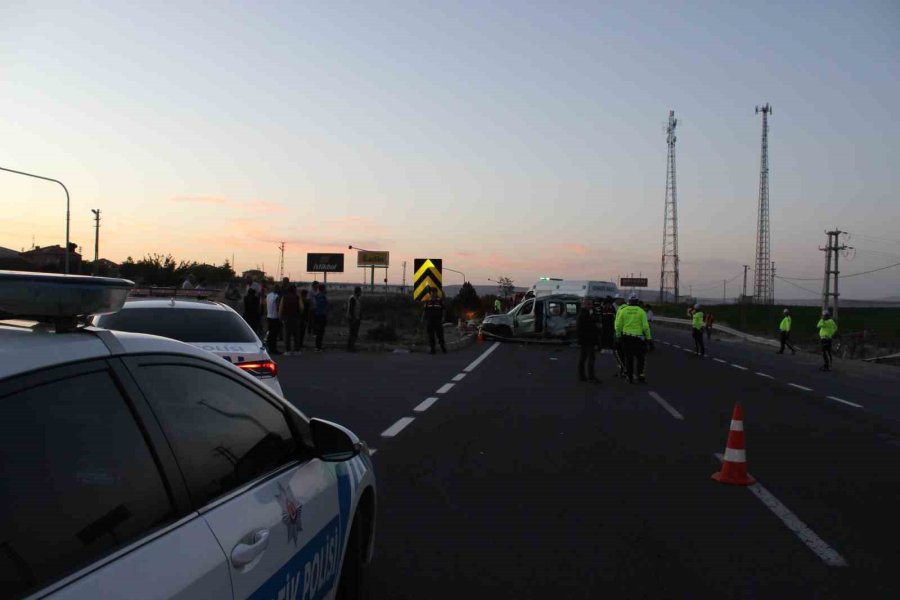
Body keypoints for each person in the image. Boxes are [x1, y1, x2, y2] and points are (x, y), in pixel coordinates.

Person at [614, 293, 652, 383]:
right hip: (638, 339)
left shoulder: (623, 310)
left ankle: (629, 377)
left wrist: (618, 336)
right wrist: (649, 337)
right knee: (640, 359)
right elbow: (646, 326)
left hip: (626, 338)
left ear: (629, 301)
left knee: (628, 358)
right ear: (637, 301)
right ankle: (640, 377)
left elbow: (618, 325)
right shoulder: (641, 311)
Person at [576, 298, 601, 382]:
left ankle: (582, 376)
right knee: (590, 358)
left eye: (591, 304)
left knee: (583, 358)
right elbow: (590, 326)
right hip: (588, 340)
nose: (591, 306)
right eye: (589, 304)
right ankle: (590, 377)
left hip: (585, 340)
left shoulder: (584, 313)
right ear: (585, 304)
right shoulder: (585, 314)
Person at [422, 287, 446, 354]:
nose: (433, 294)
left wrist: (443, 317)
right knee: (431, 335)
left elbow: (443, 310)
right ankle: (433, 349)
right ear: (430, 293)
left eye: (434, 292)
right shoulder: (427, 301)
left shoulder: (440, 301)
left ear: (436, 293)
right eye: (432, 292)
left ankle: (443, 347)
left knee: (440, 335)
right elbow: (424, 311)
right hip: (430, 320)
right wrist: (422, 318)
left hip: (438, 320)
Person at [279, 284, 301, 355]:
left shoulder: (284, 297)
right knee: (296, 334)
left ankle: (288, 350)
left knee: (287, 335)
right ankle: (297, 350)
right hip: (295, 317)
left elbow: (281, 308)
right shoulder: (297, 297)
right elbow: (301, 308)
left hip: (286, 318)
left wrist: (280, 317)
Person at [265, 285, 281, 355]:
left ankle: (269, 348)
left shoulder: (268, 295)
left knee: (270, 333)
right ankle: (273, 349)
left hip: (269, 316)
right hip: (275, 317)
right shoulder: (277, 297)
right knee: (274, 334)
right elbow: (278, 307)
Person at [312, 284, 329, 351]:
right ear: (323, 289)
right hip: (321, 315)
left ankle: (318, 346)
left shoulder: (317, 296)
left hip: (318, 315)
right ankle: (318, 346)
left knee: (319, 331)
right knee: (320, 331)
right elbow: (324, 305)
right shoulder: (321, 297)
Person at [347, 286, 363, 352]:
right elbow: (351, 309)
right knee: (353, 333)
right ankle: (351, 347)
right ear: (357, 292)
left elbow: (358, 308)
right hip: (353, 318)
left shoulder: (357, 298)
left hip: (356, 317)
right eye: (360, 292)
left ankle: (351, 346)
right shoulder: (353, 299)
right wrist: (354, 318)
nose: (361, 293)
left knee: (354, 333)